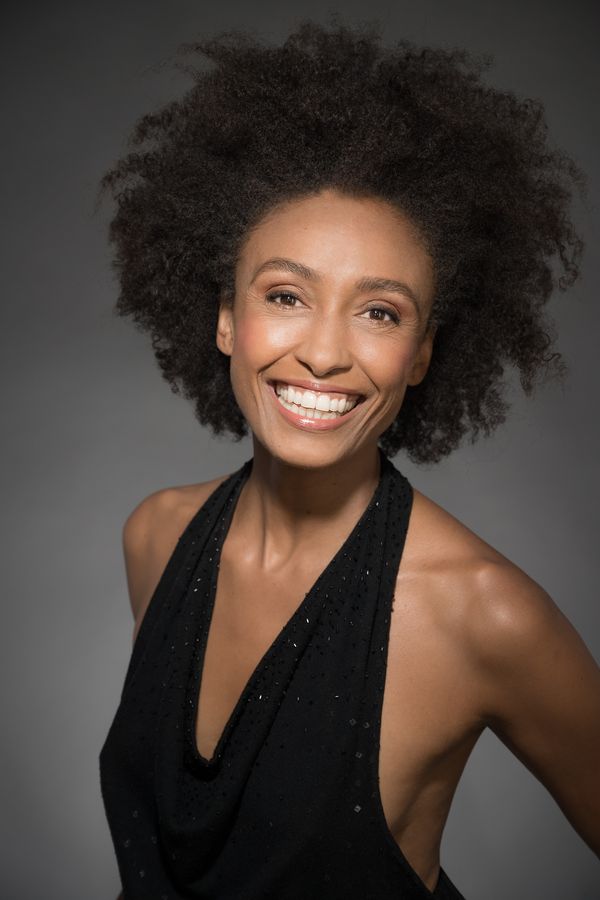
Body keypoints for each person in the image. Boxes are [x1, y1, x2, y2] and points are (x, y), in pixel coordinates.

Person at [98, 20, 600, 899]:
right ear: (227, 317)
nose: (325, 355)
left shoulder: (482, 613)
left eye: (379, 313)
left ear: (423, 354)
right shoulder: (157, 537)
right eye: (286, 296)